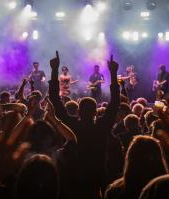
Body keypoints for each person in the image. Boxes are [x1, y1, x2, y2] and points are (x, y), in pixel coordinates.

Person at [49, 52, 120, 199]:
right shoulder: (102, 126)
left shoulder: (71, 125)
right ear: (96, 112)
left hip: (72, 176)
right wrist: (113, 73)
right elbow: (115, 104)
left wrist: (54, 70)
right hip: (96, 176)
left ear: (78, 111)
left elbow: (55, 100)